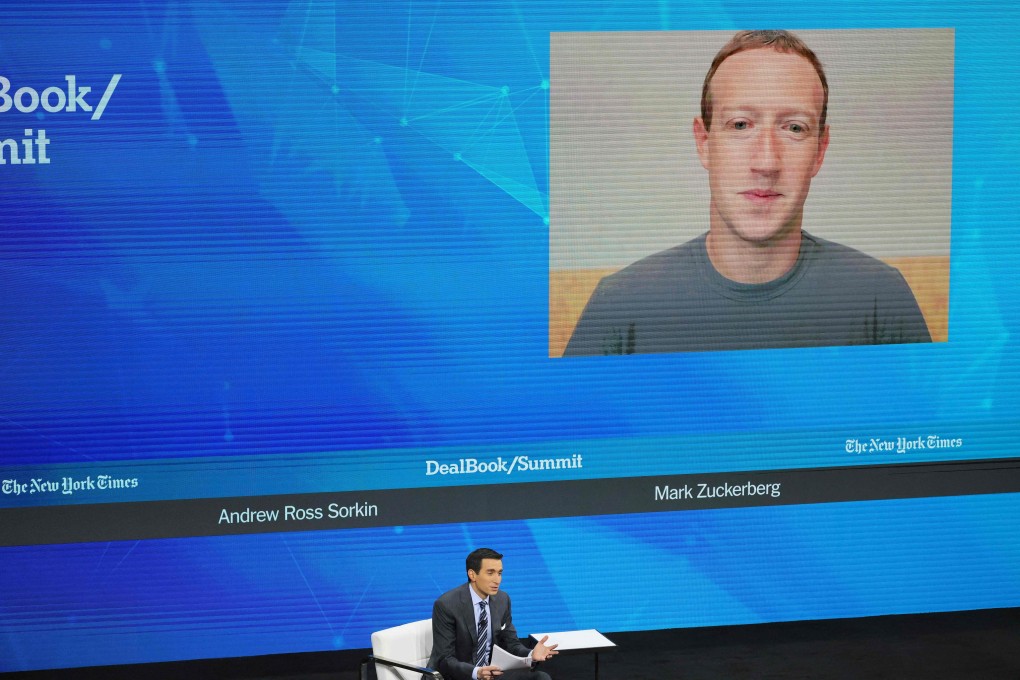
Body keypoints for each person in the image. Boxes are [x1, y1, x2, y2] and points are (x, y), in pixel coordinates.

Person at [563, 30, 932, 356]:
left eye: (794, 128)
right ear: (704, 142)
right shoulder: (620, 305)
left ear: (820, 150)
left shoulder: (881, 299)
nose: (766, 162)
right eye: (740, 124)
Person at [425, 548, 557, 680]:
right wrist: (477, 672)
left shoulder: (502, 600)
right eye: (490, 573)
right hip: (461, 675)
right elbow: (444, 659)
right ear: (472, 575)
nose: (497, 580)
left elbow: (511, 644)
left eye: (499, 573)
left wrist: (531, 654)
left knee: (540, 677)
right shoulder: (447, 604)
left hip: (492, 673)